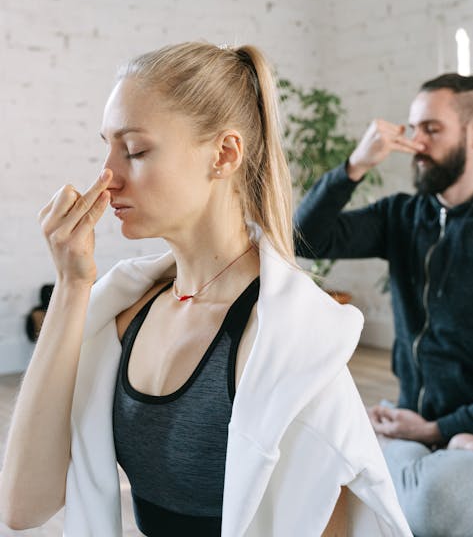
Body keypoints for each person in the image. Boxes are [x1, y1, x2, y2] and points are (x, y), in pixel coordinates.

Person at [0, 42, 411, 537]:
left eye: (134, 150)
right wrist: (71, 285)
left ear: (224, 154)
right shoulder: (126, 313)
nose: (106, 178)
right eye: (106, 147)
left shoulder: (284, 343)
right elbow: (23, 507)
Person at [294, 69, 473, 537]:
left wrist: (436, 431)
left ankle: (403, 460)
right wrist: (354, 167)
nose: (416, 142)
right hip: (417, 424)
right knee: (309, 454)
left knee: (434, 505)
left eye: (432, 129)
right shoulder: (402, 216)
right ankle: (407, 455)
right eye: (413, 127)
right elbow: (307, 236)